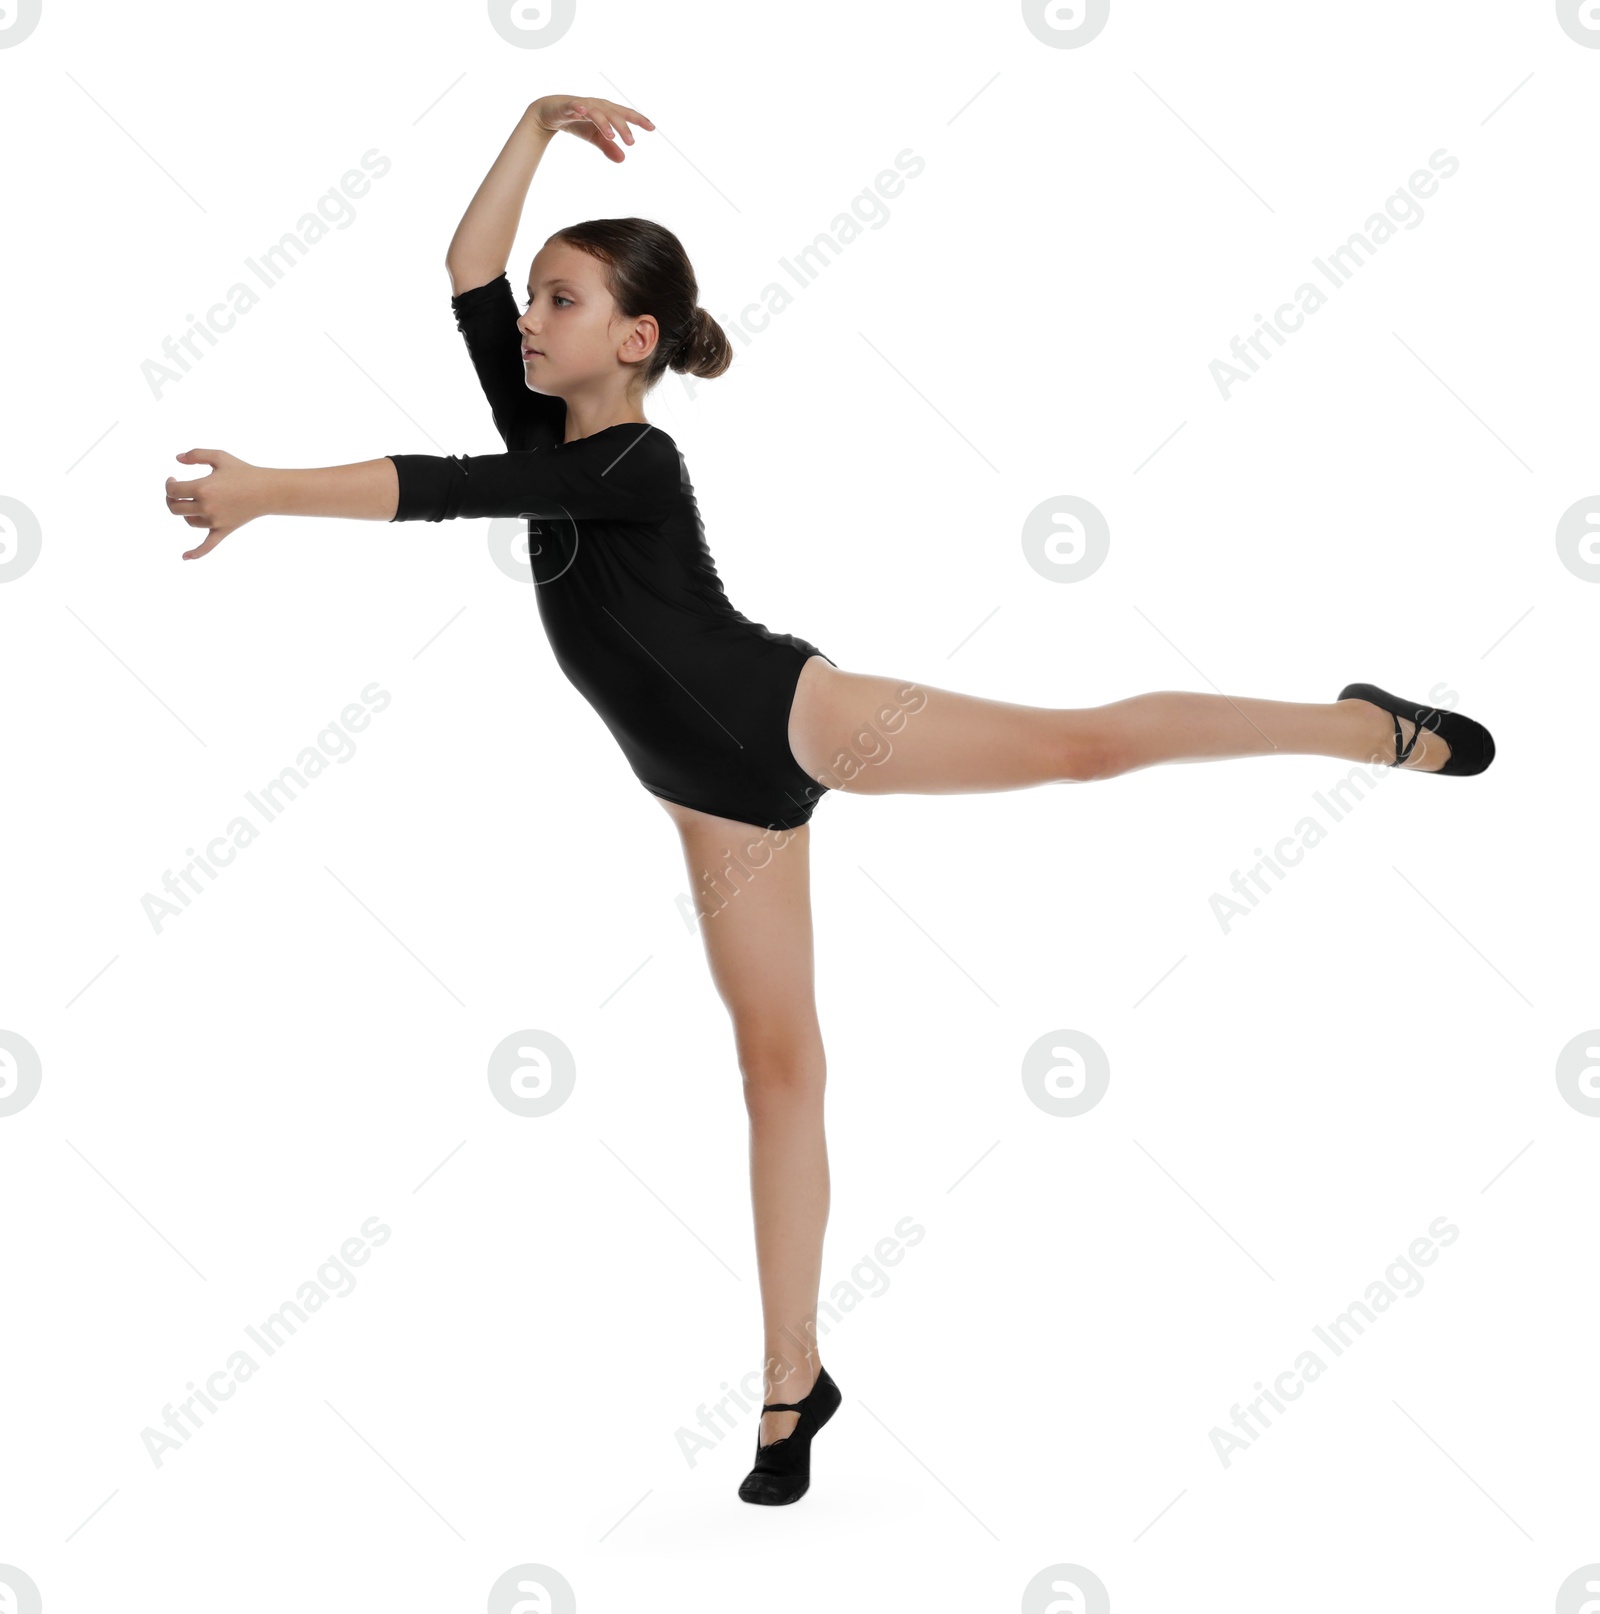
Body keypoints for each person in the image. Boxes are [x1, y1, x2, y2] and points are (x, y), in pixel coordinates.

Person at [164, 94, 1496, 1507]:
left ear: (634, 339)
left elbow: (433, 488)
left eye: (563, 300)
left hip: (795, 716)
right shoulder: (547, 417)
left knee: (1082, 747)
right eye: (536, 301)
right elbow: (462, 272)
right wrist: (537, 122)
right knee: (781, 1071)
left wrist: (267, 491)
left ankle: (1363, 726)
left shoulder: (628, 457)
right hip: (710, 804)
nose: (528, 319)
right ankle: (794, 1381)